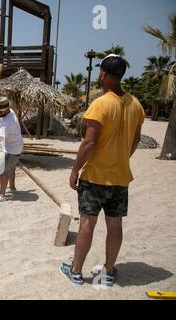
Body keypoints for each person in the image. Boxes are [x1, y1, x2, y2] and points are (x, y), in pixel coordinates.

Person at [60, 54, 145, 286]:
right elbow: (136, 139)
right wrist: (121, 158)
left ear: (104, 75)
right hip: (120, 177)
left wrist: (75, 169)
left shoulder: (100, 103)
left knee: (87, 222)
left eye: (100, 72)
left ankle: (76, 271)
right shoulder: (135, 105)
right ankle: (108, 273)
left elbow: (89, 144)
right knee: (115, 224)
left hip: (96, 176)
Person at [0, 97, 24, 204]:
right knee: (10, 168)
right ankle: (12, 188)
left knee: (3, 171)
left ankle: (1, 195)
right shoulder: (9, 111)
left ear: (6, 109)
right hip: (15, 145)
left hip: (13, 148)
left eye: (0, 110)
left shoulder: (7, 122)